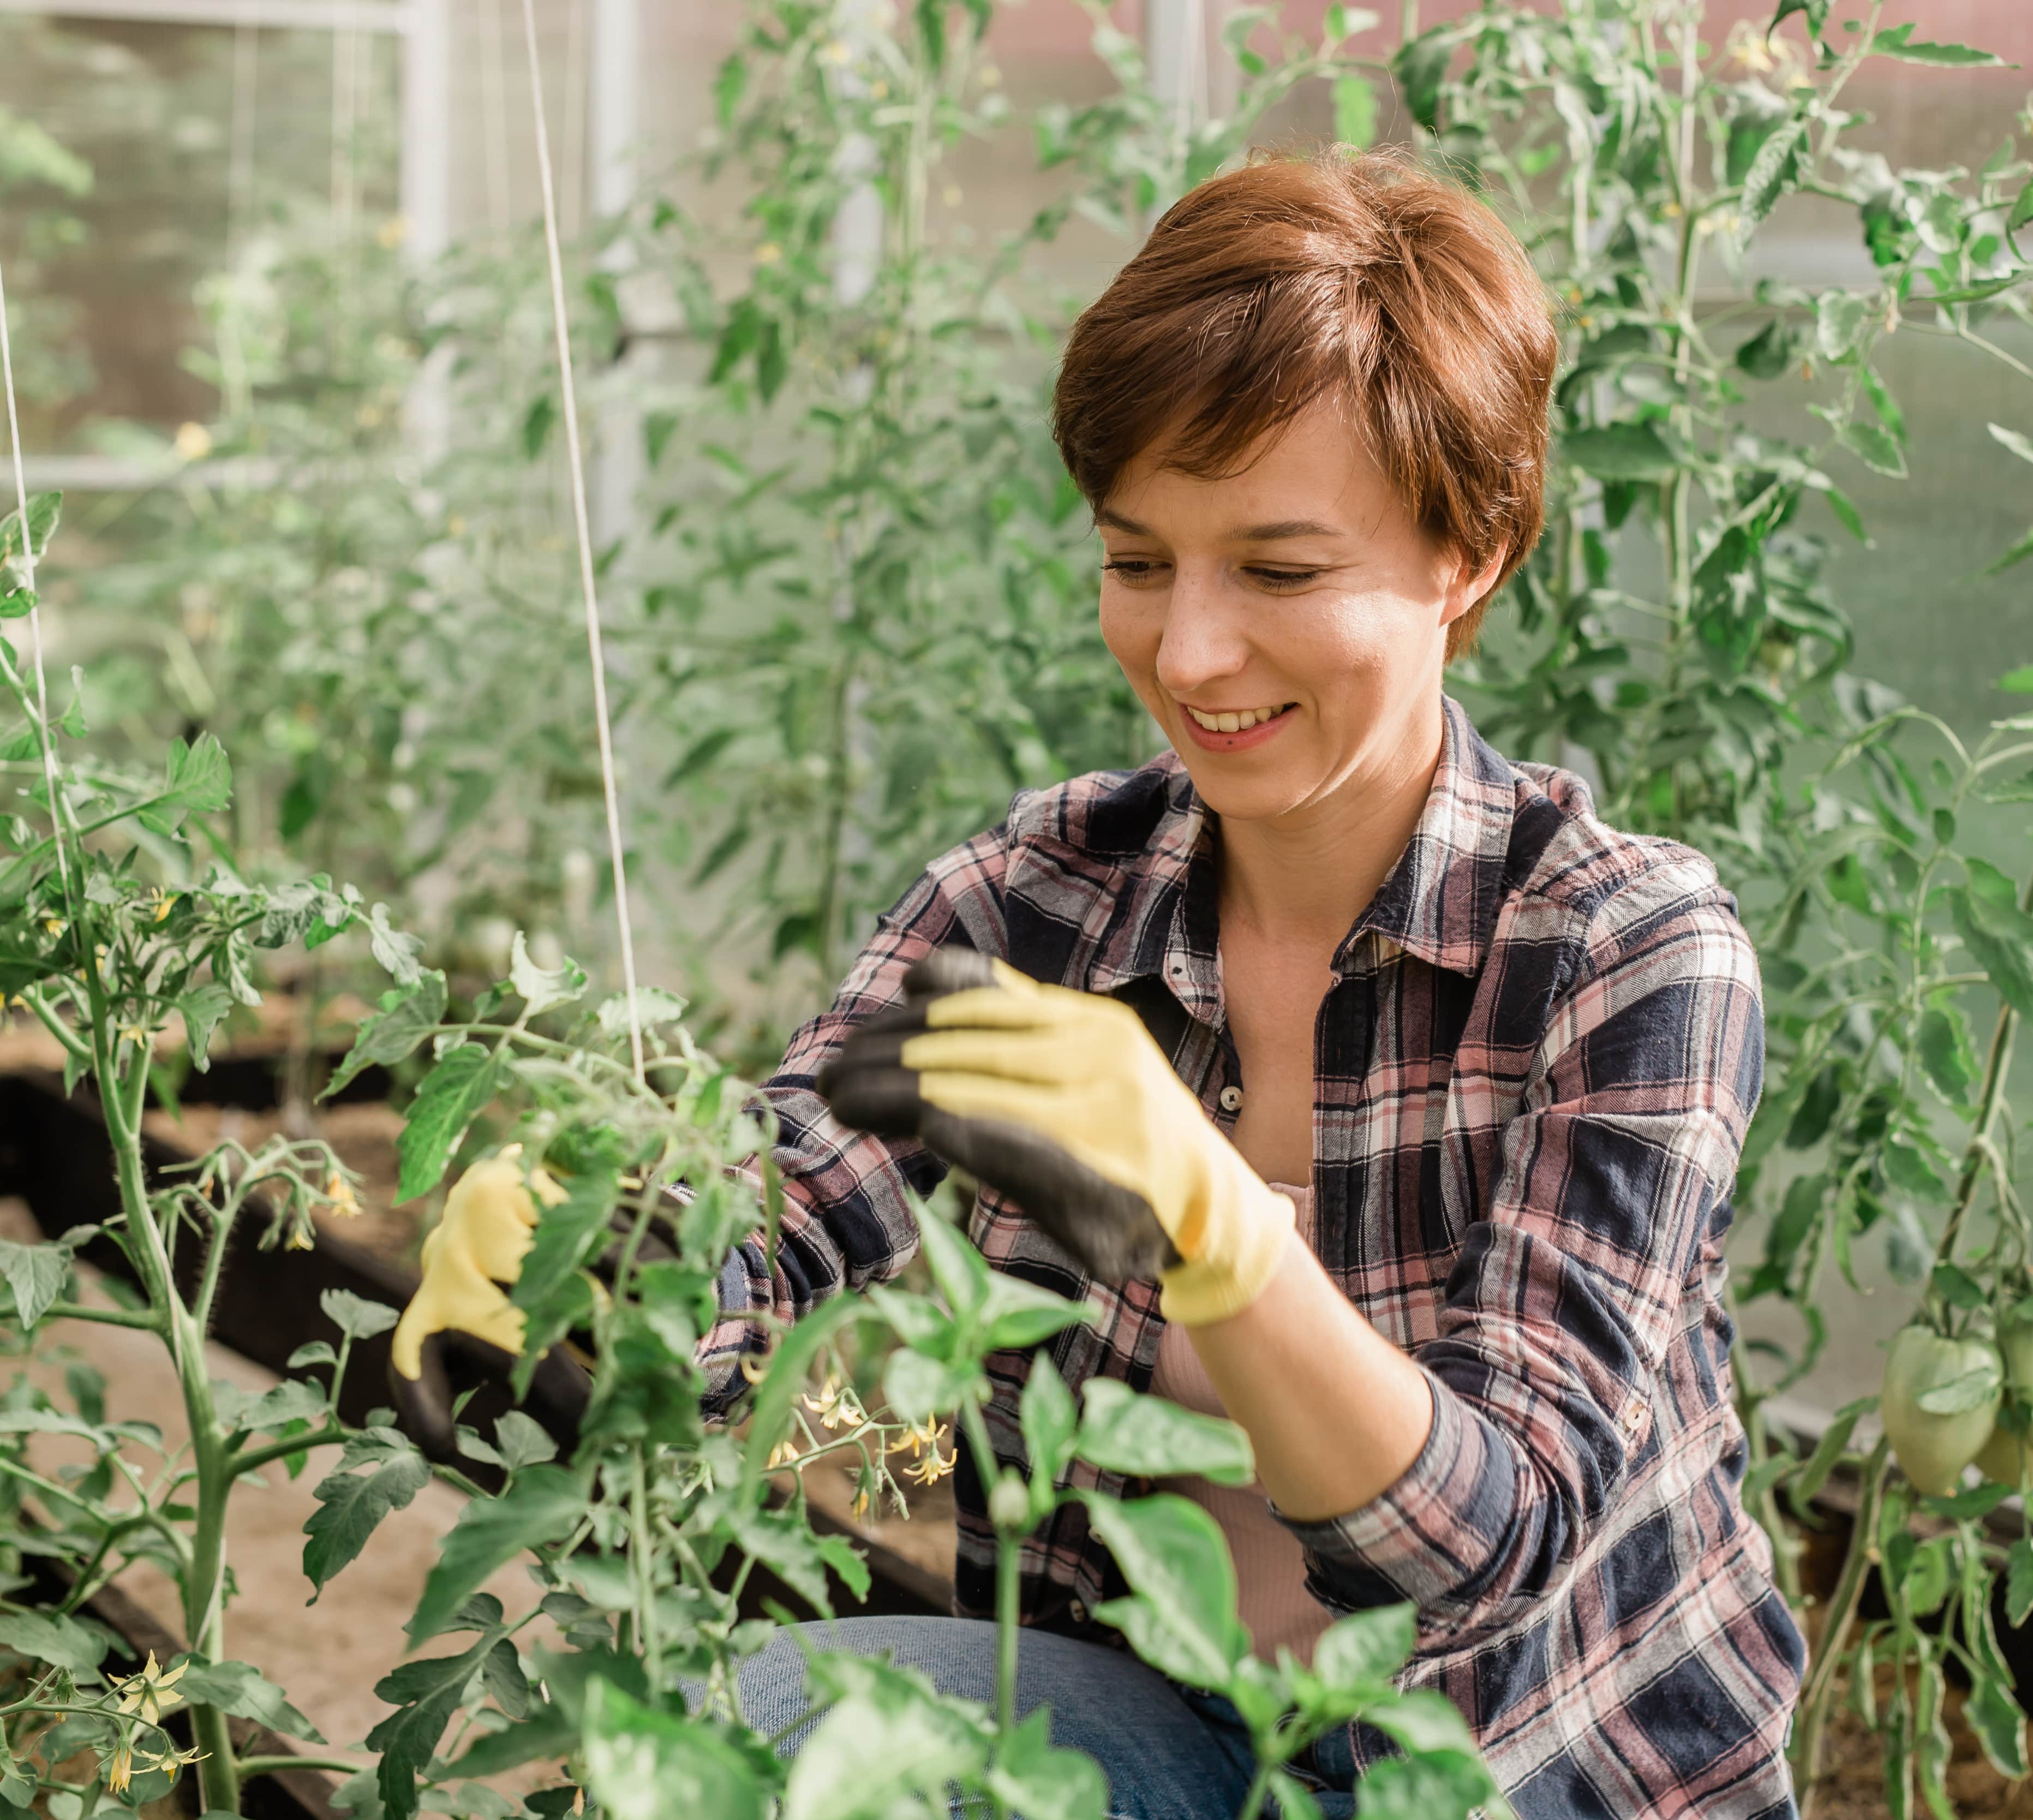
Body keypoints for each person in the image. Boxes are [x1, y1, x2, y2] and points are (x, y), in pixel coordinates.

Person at [693, 150, 1801, 1815]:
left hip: (1526, 1776)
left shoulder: (1617, 952)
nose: (1189, 653)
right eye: (1139, 562)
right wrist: (614, 1230)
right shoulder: (1035, 904)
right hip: (1168, 1738)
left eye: (1278, 573)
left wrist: (1210, 1226)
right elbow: (770, 1248)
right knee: (770, 1724)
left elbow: (1488, 1543)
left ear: (1470, 552)